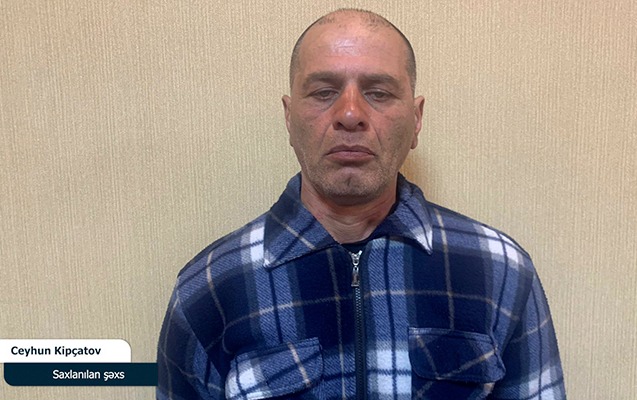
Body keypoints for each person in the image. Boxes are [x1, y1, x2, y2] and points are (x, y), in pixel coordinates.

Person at [157, 8, 565, 399]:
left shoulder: (500, 272)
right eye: (323, 92)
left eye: (378, 93)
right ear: (289, 117)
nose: (350, 114)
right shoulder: (208, 291)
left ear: (416, 119)